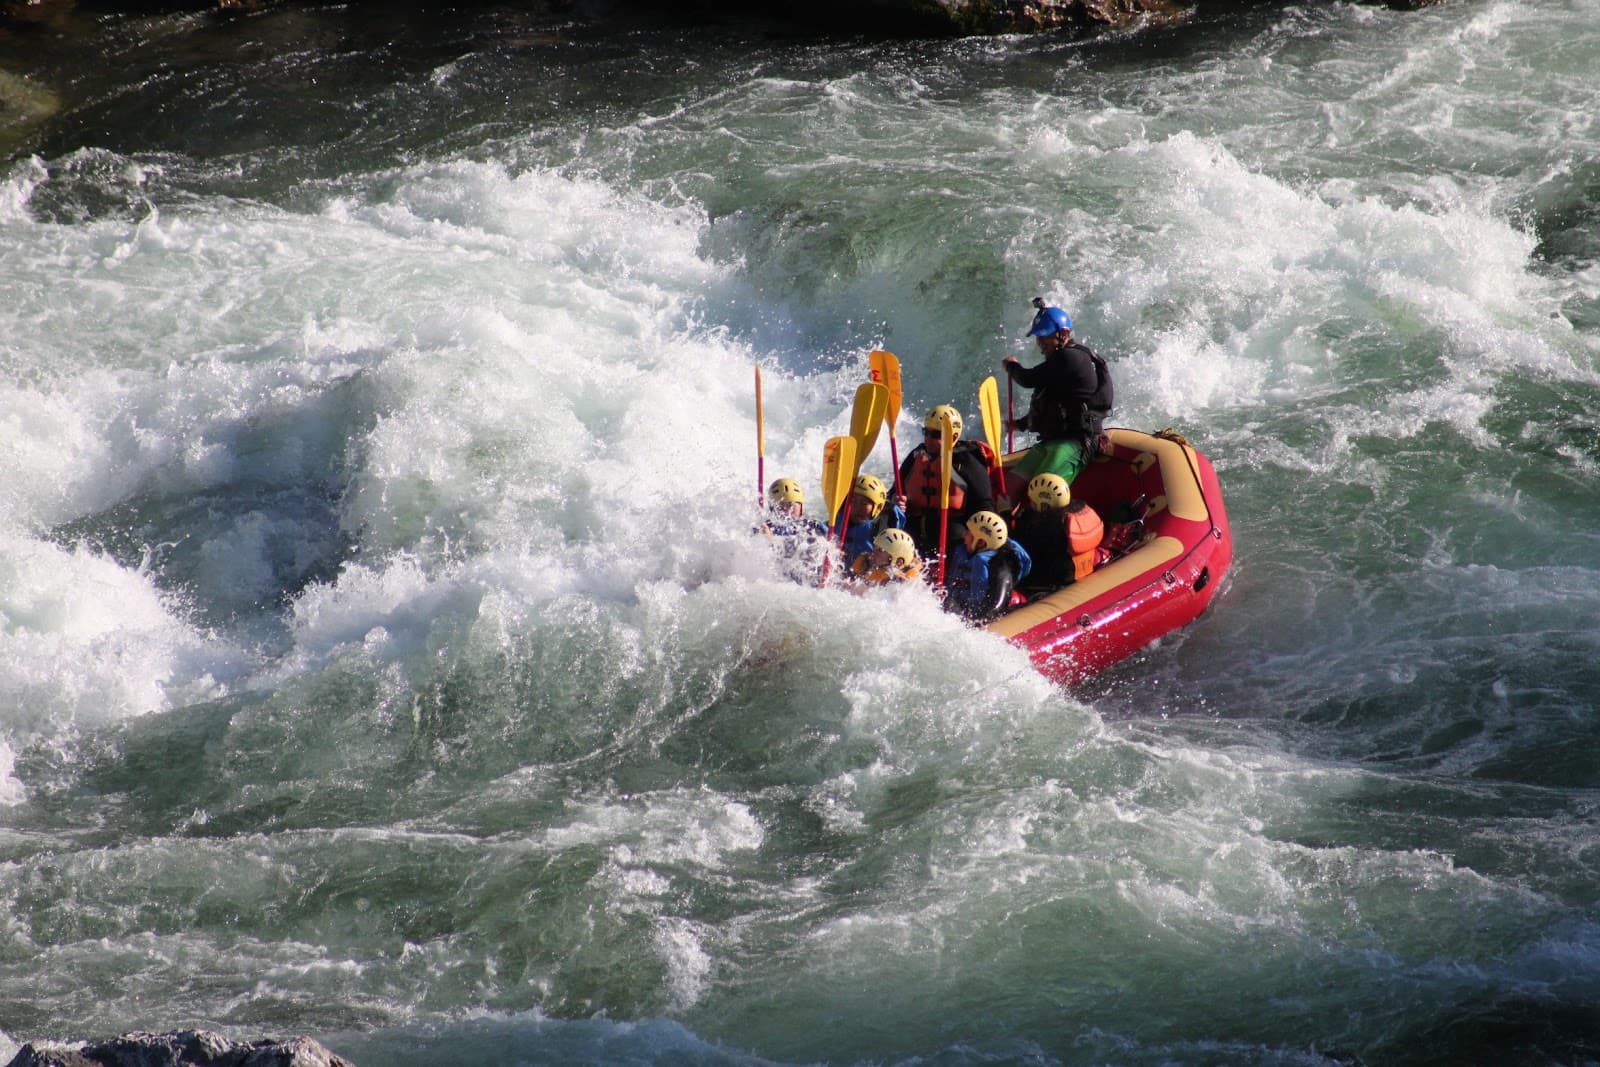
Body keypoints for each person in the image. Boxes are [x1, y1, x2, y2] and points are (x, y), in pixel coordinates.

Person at [1001, 297, 1114, 488]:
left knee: (1043, 486)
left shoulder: (1069, 358)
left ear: (1063, 333)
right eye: (1038, 336)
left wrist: (1012, 367)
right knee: (1011, 484)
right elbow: (1049, 401)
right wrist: (1020, 424)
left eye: (1045, 335)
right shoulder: (1058, 364)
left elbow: (1027, 379)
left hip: (1076, 441)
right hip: (1054, 440)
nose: (1040, 342)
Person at [897, 405, 998, 559]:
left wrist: (976, 537)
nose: (928, 439)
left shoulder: (966, 461)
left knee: (955, 536)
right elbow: (895, 490)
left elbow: (985, 504)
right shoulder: (916, 455)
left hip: (951, 528)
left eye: (936, 434)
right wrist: (897, 500)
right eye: (926, 432)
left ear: (953, 436)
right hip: (914, 524)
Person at [944, 511, 1032, 622]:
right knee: (949, 603)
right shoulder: (962, 551)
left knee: (950, 605)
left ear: (981, 543)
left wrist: (978, 622)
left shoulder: (1000, 566)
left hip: (979, 615)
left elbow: (997, 606)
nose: (964, 535)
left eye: (969, 533)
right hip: (959, 607)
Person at [757, 477, 829, 580]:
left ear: (801, 506)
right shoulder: (765, 527)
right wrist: (767, 540)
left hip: (808, 580)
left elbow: (834, 547)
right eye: (781, 507)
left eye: (792, 506)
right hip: (779, 579)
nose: (788, 512)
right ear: (772, 508)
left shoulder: (814, 525)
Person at [1013, 472, 1074, 593]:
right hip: (1069, 577)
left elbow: (1015, 546)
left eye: (1032, 502)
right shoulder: (1069, 517)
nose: (1030, 505)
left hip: (1044, 585)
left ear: (1044, 505)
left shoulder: (1042, 528)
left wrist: (1005, 514)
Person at [832, 474, 907, 567]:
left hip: (867, 575)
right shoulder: (840, 517)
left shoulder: (882, 525)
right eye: (853, 501)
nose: (856, 507)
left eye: (864, 503)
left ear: (877, 507)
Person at [850, 527, 923, 587]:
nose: (873, 553)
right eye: (875, 548)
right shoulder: (865, 563)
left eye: (880, 550)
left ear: (898, 562)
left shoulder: (899, 582)